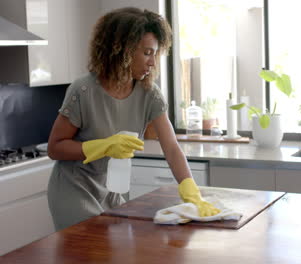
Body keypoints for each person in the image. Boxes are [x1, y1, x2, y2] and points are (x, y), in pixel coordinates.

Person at [47, 7, 219, 230]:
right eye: (147, 53)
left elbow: (172, 147)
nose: (153, 63)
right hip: (73, 190)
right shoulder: (83, 90)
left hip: (112, 189)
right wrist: (102, 146)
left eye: (155, 54)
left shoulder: (149, 94)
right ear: (121, 50)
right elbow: (55, 148)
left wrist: (191, 190)